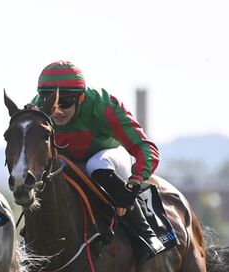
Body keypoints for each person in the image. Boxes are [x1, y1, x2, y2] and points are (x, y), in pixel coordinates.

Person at [30, 60, 165, 261]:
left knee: (96, 165)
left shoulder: (104, 106)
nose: (57, 110)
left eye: (65, 102)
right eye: (50, 101)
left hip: (107, 156)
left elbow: (145, 147)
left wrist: (135, 181)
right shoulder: (37, 110)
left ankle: (146, 234)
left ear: (81, 97)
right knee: (49, 172)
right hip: (68, 162)